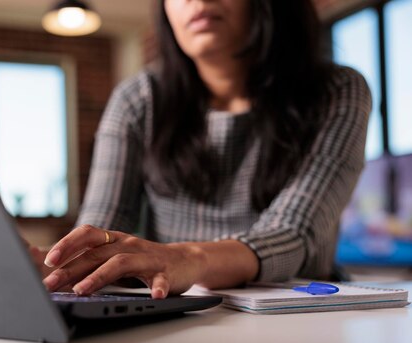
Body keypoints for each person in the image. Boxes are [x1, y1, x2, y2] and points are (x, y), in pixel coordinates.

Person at [29, 0, 371, 299]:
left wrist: (190, 258)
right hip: (178, 313)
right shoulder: (138, 100)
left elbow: (293, 234)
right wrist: (55, 264)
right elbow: (100, 230)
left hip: (301, 315)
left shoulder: (337, 91)